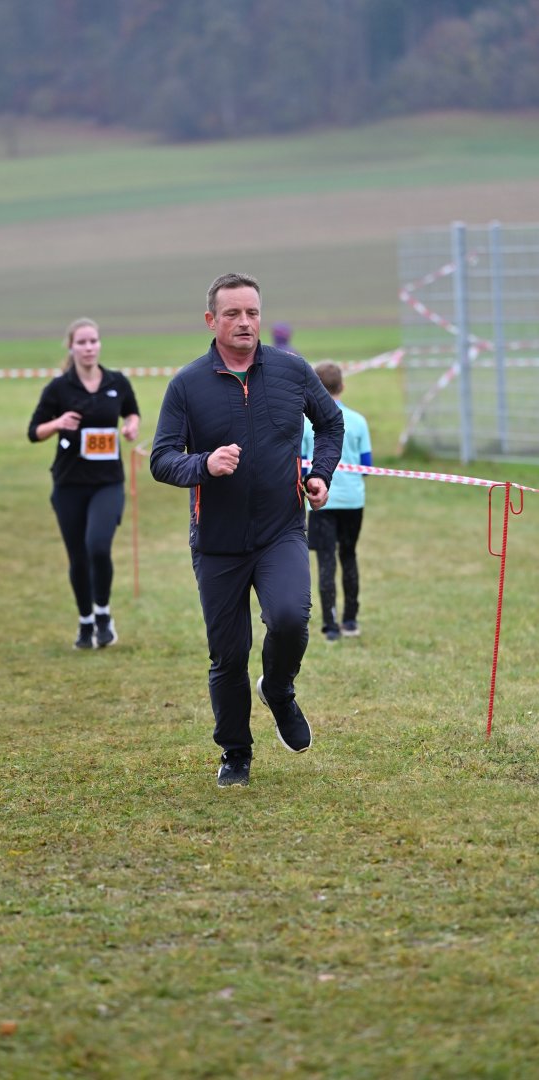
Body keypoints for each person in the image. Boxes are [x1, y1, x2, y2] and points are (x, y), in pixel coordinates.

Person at [150, 273, 344, 788]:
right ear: (211, 320)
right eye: (233, 313)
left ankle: (278, 689)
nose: (245, 322)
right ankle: (236, 752)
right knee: (229, 654)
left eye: (252, 313)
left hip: (282, 529)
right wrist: (204, 464)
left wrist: (320, 474)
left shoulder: (292, 370)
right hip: (217, 542)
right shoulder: (187, 385)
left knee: (290, 619)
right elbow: (161, 458)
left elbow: (331, 424)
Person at [27, 318, 140, 649]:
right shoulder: (59, 388)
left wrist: (131, 426)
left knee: (98, 546)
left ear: (99, 344)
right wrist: (58, 423)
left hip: (108, 482)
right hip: (69, 483)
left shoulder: (117, 382)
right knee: (78, 556)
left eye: (93, 341)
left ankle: (103, 614)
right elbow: (34, 431)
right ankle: (85, 621)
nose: (89, 347)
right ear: (71, 347)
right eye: (82, 342)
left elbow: (132, 412)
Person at [301, 361, 373, 642]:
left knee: (326, 561)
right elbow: (366, 466)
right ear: (342, 386)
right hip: (353, 501)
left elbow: (301, 465)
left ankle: (330, 626)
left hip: (322, 502)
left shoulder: (306, 423)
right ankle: (351, 621)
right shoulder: (358, 421)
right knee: (349, 556)